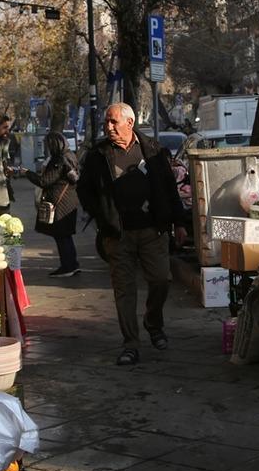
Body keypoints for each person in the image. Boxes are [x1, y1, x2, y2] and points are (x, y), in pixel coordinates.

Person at [77, 103, 187, 366]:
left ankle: (153, 322)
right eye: (107, 122)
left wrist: (179, 223)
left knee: (161, 280)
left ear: (130, 122)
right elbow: (84, 190)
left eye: (114, 122)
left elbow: (171, 189)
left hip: (153, 231)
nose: (109, 127)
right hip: (118, 235)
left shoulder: (153, 150)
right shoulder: (98, 155)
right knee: (124, 291)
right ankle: (130, 344)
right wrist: (104, 216)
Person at [26, 132, 80, 277]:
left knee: (61, 235)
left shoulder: (59, 160)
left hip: (60, 202)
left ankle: (67, 266)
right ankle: (72, 264)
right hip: (70, 201)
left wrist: (27, 173)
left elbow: (44, 181)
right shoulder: (71, 155)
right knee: (66, 235)